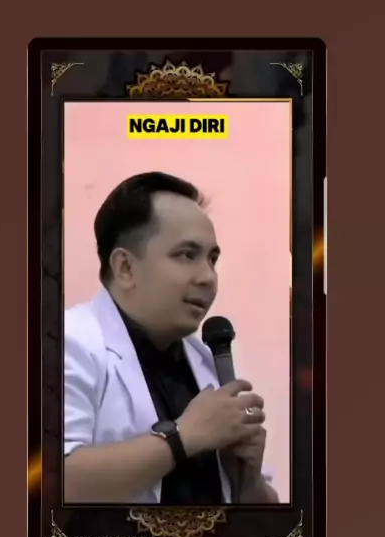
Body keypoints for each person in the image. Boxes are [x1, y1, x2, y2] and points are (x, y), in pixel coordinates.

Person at [64, 171, 278, 504]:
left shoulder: (207, 362)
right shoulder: (68, 342)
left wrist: (247, 481)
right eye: (186, 255)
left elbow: (264, 511)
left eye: (212, 259)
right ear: (125, 268)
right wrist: (183, 438)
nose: (208, 277)